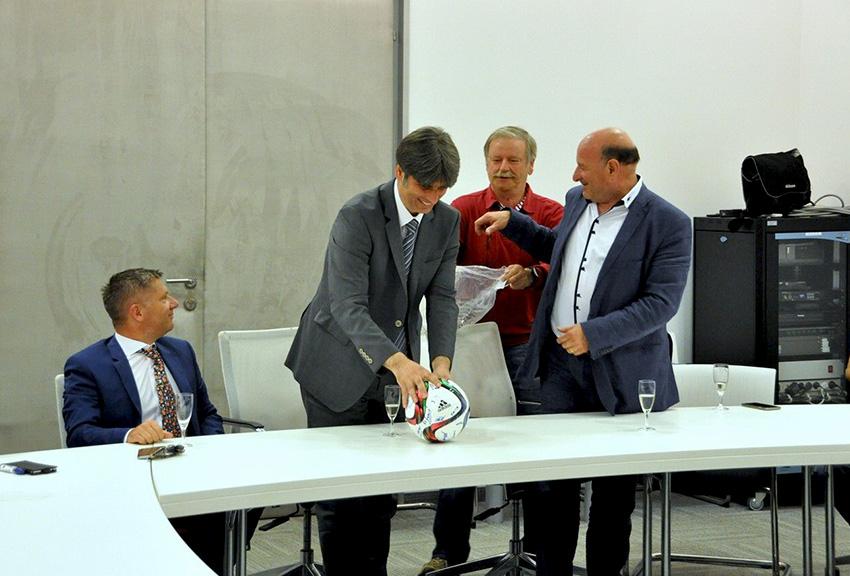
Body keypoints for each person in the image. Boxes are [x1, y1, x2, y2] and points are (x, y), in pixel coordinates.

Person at [474, 127, 692, 575]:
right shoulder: (578, 201)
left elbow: (661, 303)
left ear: (613, 168)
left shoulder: (668, 222)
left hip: (621, 374)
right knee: (553, 488)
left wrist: (594, 334)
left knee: (612, 498)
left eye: (582, 167)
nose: (575, 176)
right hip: (561, 368)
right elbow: (561, 248)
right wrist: (515, 223)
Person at [285, 126, 461, 576]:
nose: (432, 200)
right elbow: (346, 305)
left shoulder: (446, 220)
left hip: (392, 373)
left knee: (381, 495)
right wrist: (399, 362)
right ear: (400, 172)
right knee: (341, 497)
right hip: (336, 364)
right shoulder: (358, 215)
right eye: (424, 189)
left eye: (442, 191)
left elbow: (442, 297)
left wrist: (441, 361)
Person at [419, 126, 564, 575]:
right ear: (485, 164)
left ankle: (538, 553)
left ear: (530, 166)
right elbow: (439, 272)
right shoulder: (462, 210)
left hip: (529, 345)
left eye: (513, 161)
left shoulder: (551, 213)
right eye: (496, 160)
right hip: (473, 345)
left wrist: (533, 275)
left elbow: (565, 265)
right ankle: (447, 554)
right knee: (457, 443)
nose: (504, 168)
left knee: (536, 448)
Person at [63, 268, 229, 575]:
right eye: (164, 297)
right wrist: (130, 435)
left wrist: (211, 449)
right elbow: (80, 433)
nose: (174, 303)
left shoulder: (181, 351)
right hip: (134, 478)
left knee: (247, 496)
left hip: (194, 472)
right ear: (137, 312)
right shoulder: (88, 365)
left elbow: (207, 414)